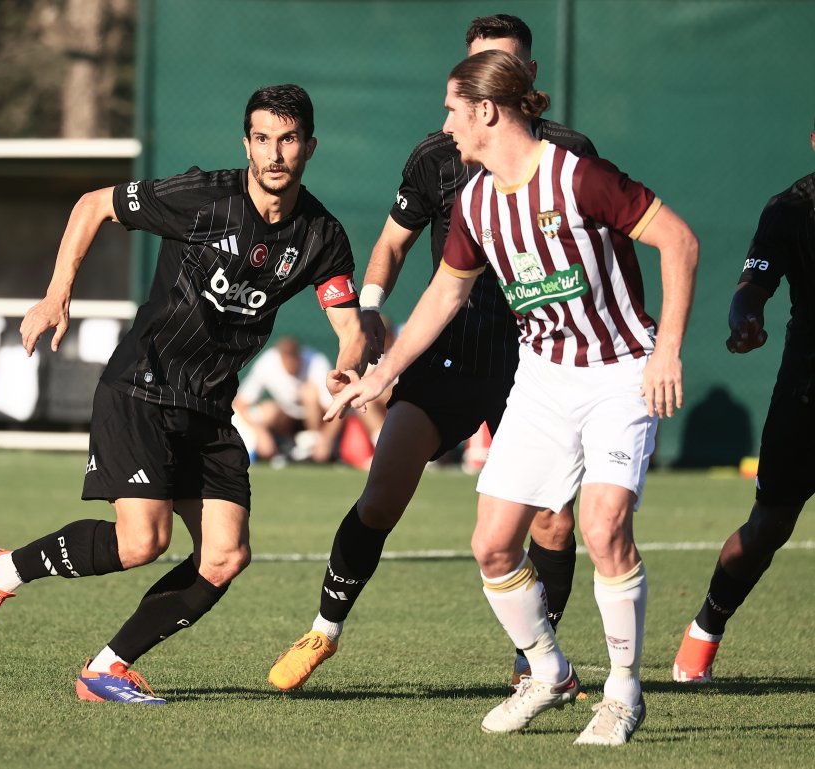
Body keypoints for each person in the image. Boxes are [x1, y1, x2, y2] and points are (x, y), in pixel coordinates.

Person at [322, 50, 698, 746]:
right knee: (493, 545)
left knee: (604, 524)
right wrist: (382, 372)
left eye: (452, 109)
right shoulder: (474, 200)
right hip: (544, 377)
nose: (445, 124)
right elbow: (444, 292)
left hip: (619, 369)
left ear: (487, 111)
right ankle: (548, 672)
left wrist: (668, 347)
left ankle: (621, 692)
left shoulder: (578, 176)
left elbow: (678, 241)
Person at [0, 84, 367, 704]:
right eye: (261, 139)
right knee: (142, 542)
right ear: (246, 143)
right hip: (143, 384)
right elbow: (95, 205)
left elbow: (348, 322)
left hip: (210, 405)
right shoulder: (206, 198)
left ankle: (107, 668)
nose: (274, 153)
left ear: (309, 145)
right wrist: (57, 292)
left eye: (287, 140)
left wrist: (348, 366)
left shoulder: (321, 236)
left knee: (224, 557)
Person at [268, 14, 595, 695]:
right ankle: (323, 630)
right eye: (475, 68)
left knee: (554, 517)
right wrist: (373, 310)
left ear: (526, 78)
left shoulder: (569, 156)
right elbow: (392, 247)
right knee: (382, 493)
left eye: (501, 66)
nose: (483, 84)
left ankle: (536, 659)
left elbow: (602, 252)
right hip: (450, 354)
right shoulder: (437, 154)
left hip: (536, 364)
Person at [673, 124, 815, 684]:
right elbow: (752, 287)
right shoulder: (791, 209)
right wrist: (744, 319)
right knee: (769, 525)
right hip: (807, 390)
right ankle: (706, 628)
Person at [232, 335, 338, 463]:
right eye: (286, 358)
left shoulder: (316, 362)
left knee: (309, 394)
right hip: (285, 419)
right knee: (268, 410)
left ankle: (312, 442)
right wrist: (259, 433)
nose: (290, 363)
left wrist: (325, 439)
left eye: (293, 358)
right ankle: (285, 444)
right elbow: (240, 403)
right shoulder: (268, 362)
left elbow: (336, 409)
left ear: (299, 356)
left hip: (316, 420)